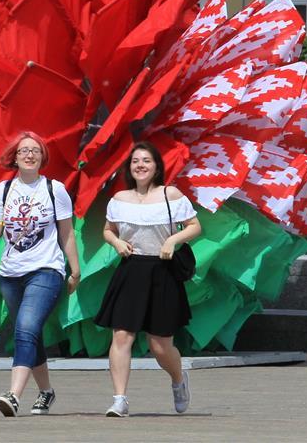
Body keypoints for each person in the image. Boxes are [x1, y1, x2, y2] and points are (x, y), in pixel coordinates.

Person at [0, 131, 80, 417]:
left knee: (25, 327)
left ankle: (13, 395)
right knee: (30, 333)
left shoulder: (54, 189)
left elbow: (67, 234)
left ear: (42, 157)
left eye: (35, 150)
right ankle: (47, 392)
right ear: (14, 157)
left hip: (46, 270)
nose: (29, 154)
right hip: (10, 274)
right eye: (24, 150)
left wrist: (75, 270)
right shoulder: (3, 190)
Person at [94, 141, 202, 417]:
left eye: (146, 161)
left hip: (163, 271)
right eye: (135, 161)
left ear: (156, 167)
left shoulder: (171, 194)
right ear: (130, 168)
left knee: (160, 345)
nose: (140, 165)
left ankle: (179, 380)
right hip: (131, 270)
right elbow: (108, 230)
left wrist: (172, 240)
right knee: (121, 336)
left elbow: (194, 226)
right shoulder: (119, 199)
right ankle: (120, 399)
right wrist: (116, 243)